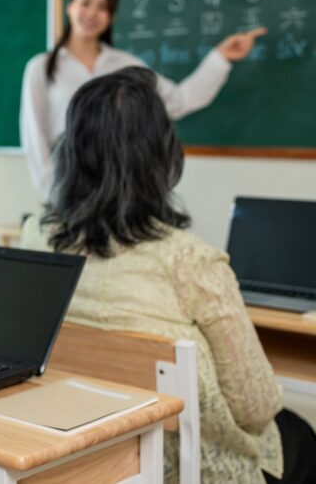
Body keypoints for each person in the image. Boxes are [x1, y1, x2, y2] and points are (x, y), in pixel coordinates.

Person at [20, 66, 316, 484]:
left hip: (90, 452)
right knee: (299, 435)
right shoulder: (191, 261)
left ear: (70, 152)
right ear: (160, 155)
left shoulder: (36, 237)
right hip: (183, 465)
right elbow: (256, 408)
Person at [20, 0, 267, 195]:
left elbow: (179, 101)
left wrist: (220, 57)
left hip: (122, 188)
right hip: (68, 184)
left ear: (111, 17)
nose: (92, 13)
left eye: (103, 7)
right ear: (70, 6)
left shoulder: (125, 64)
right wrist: (56, 192)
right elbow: (34, 135)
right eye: (85, 3)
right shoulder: (41, 67)